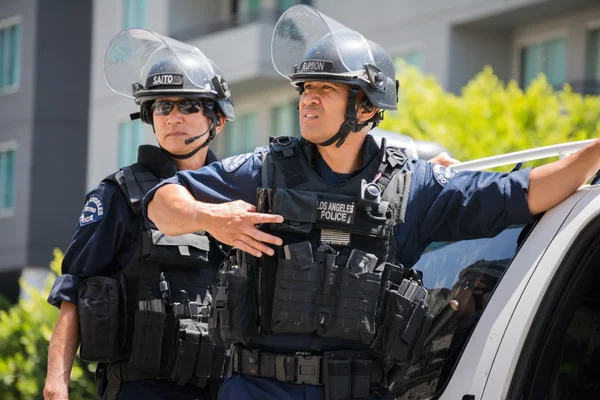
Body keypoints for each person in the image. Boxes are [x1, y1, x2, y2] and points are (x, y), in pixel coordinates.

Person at [145, 5, 600, 399]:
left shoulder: (414, 185)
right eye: (305, 89)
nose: (307, 101)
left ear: (365, 107)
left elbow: (523, 192)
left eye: (325, 90)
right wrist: (208, 217)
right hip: (258, 388)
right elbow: (159, 202)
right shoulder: (265, 168)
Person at [43, 29, 234, 400]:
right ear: (149, 115)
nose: (173, 117)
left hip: (222, 387)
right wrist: (56, 385)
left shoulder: (233, 197)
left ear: (218, 119)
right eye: (163, 106)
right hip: (141, 387)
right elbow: (74, 289)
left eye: (189, 105)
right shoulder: (119, 195)